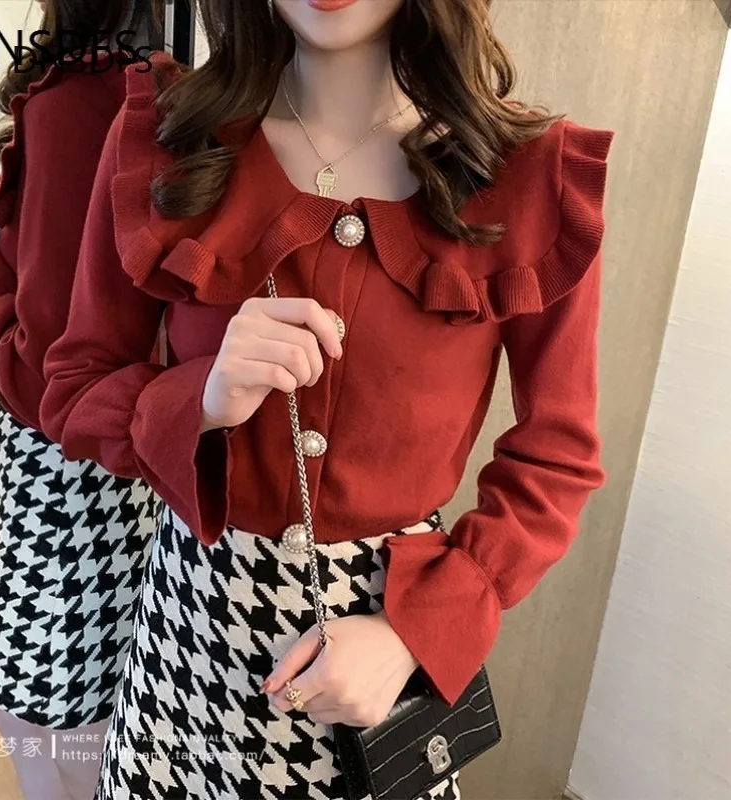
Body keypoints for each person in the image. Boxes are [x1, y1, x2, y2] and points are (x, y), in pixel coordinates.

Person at [41, 0, 614, 797]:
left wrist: (417, 632)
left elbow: (558, 457)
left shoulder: (526, 177)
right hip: (187, 648)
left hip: (377, 665)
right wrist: (201, 398)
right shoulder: (171, 137)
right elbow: (76, 385)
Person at [0, 2, 162, 797]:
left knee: (43, 718)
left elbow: (57, 374)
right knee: (80, 704)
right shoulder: (151, 84)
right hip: (118, 458)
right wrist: (6, 374)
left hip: (70, 468)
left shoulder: (79, 97)